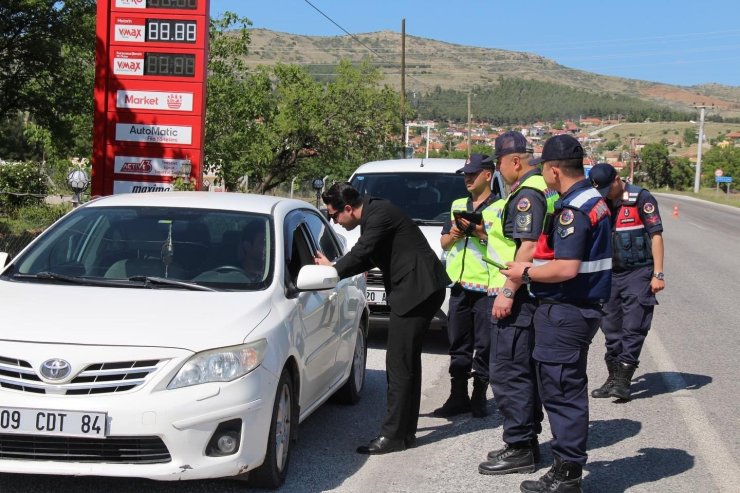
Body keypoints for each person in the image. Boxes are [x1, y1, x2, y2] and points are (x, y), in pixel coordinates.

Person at [502, 134, 612, 493]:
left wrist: (525, 273)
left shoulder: (572, 209)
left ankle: (566, 476)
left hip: (567, 310)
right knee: (565, 388)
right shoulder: (592, 199)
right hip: (580, 309)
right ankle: (568, 470)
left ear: (553, 169)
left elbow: (565, 268)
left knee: (562, 391)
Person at [315, 182, 449, 455]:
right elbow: (370, 256)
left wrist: (333, 270)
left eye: (334, 215)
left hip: (417, 291)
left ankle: (393, 436)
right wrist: (338, 267)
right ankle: (404, 433)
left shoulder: (378, 215)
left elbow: (363, 252)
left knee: (399, 365)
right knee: (406, 363)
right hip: (418, 289)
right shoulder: (374, 213)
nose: (334, 222)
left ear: (349, 209)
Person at [478, 132, 558, 475]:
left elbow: (526, 246)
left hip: (522, 293)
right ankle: (524, 441)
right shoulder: (544, 188)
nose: (497, 169)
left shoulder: (527, 193)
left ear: (514, 161)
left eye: (498, 162)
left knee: (509, 371)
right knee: (521, 370)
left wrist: (508, 291)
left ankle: (520, 446)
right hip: (535, 291)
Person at [588, 163, 665, 401]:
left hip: (638, 272)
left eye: (608, 189)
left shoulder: (642, 199)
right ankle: (613, 377)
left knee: (634, 325)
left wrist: (658, 274)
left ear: (618, 179)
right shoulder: (600, 202)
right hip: (609, 274)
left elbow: (656, 236)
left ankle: (623, 380)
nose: (606, 195)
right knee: (610, 328)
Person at [434, 153, 496, 419]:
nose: (467, 178)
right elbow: (444, 243)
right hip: (459, 285)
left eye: (473, 173)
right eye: (465, 174)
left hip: (486, 286)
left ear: (488, 175)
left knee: (484, 345)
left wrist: (480, 233)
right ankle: (457, 395)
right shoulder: (458, 204)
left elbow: (504, 246)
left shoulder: (500, 207)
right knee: (458, 343)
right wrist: (455, 233)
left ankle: (479, 395)